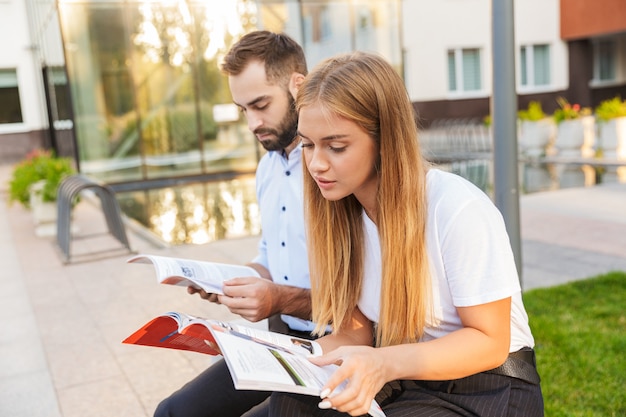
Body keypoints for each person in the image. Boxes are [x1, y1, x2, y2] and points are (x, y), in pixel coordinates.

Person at [268, 51, 544, 416]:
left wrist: (385, 363)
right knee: (290, 402)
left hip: (488, 385)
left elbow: (490, 343)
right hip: (407, 377)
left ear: (384, 140)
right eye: (307, 144)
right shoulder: (341, 214)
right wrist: (291, 357)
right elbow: (356, 332)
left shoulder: (455, 207)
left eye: (336, 146)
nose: (316, 163)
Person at [155, 30, 316, 417]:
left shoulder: (328, 171)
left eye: (260, 104)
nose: (252, 123)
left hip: (334, 345)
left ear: (298, 86)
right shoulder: (268, 169)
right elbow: (269, 258)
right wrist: (225, 282)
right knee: (174, 411)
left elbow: (367, 300)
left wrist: (279, 297)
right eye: (243, 109)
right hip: (283, 337)